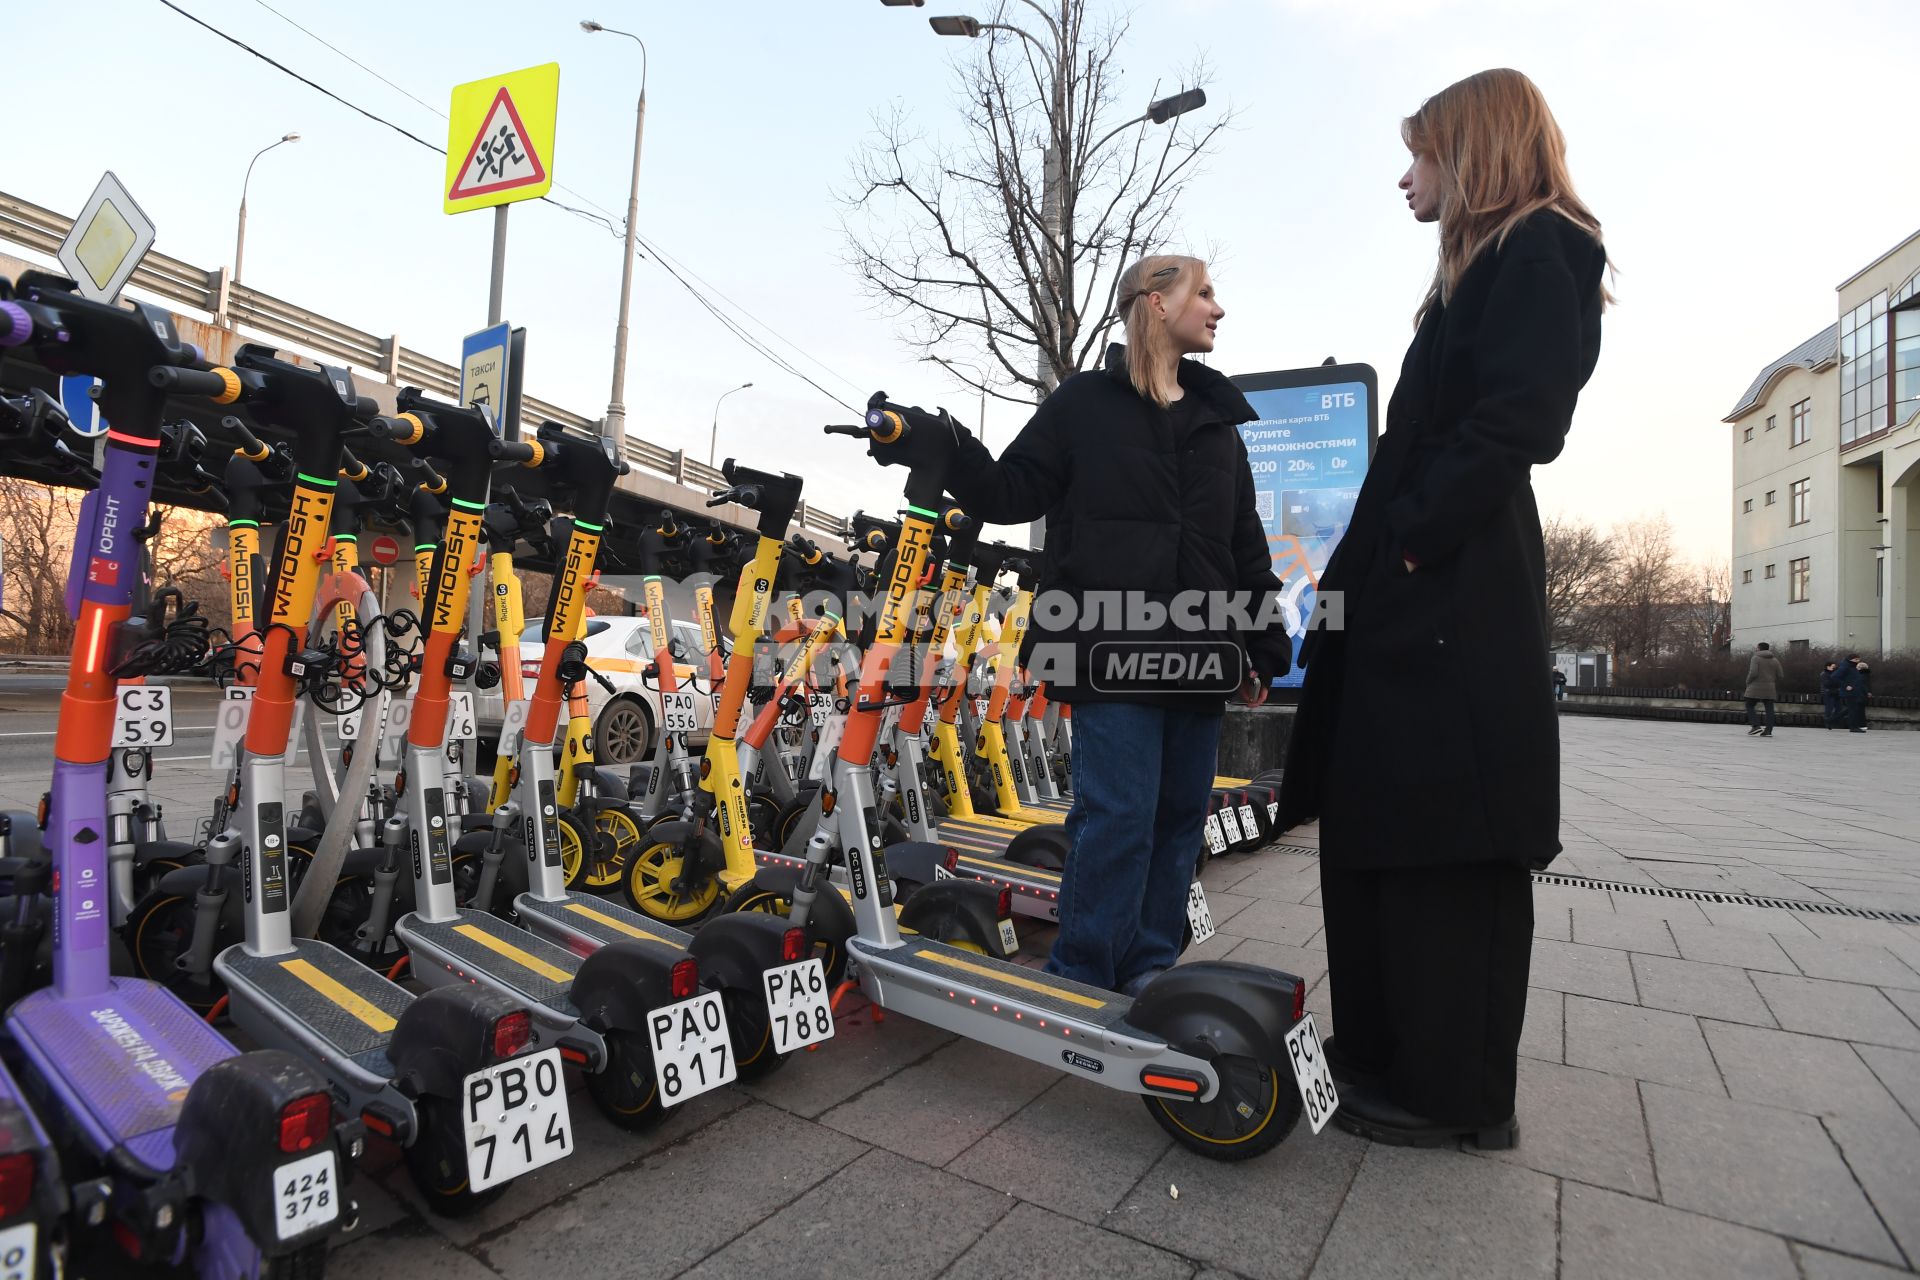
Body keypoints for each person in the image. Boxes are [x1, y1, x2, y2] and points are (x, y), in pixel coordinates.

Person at [1277, 68, 1610, 1150]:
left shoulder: (1537, 249)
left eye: (1420, 154)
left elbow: (1522, 419)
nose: (1405, 177)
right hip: (1411, 596)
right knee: (1381, 825)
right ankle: (1382, 1052)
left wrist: (1413, 537)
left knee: (1444, 838)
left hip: (1448, 597)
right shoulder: (1478, 271)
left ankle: (1452, 1091)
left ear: (1472, 153)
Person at [932, 254, 1292, 996]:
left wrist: (1262, 640)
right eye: (1206, 293)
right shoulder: (1083, 404)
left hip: (1201, 650)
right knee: (1120, 814)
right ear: (1156, 303)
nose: (1218, 309)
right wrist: (952, 454)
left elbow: (1244, 544)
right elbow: (1009, 489)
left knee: (1179, 818)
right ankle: (1081, 972)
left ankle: (1148, 968)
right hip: (1111, 646)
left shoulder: (1220, 424)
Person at [1743, 642, 1783, 737]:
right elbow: (1780, 675)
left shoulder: (1755, 658)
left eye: (1757, 647)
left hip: (1755, 687)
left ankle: (1756, 726)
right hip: (1770, 687)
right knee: (1769, 708)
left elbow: (1753, 673)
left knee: (1749, 705)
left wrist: (1747, 681)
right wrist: (1771, 681)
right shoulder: (1775, 660)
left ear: (1759, 648)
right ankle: (1768, 730)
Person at [1844, 659, 1872, 732]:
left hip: (1858, 695)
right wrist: (1868, 692)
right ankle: (1863, 725)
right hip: (1863, 696)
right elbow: (1868, 686)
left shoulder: (1859, 676)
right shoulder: (1867, 675)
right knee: (1861, 711)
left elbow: (1860, 686)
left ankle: (1858, 725)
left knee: (1856, 711)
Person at [1820, 661, 1845, 730]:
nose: (1835, 668)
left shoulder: (1835, 673)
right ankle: (1828, 722)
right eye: (1833, 666)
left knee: (1839, 708)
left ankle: (1831, 720)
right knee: (1829, 708)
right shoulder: (1824, 674)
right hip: (1828, 693)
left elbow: (1840, 682)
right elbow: (1826, 684)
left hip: (1837, 693)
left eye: (1835, 666)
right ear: (1828, 667)